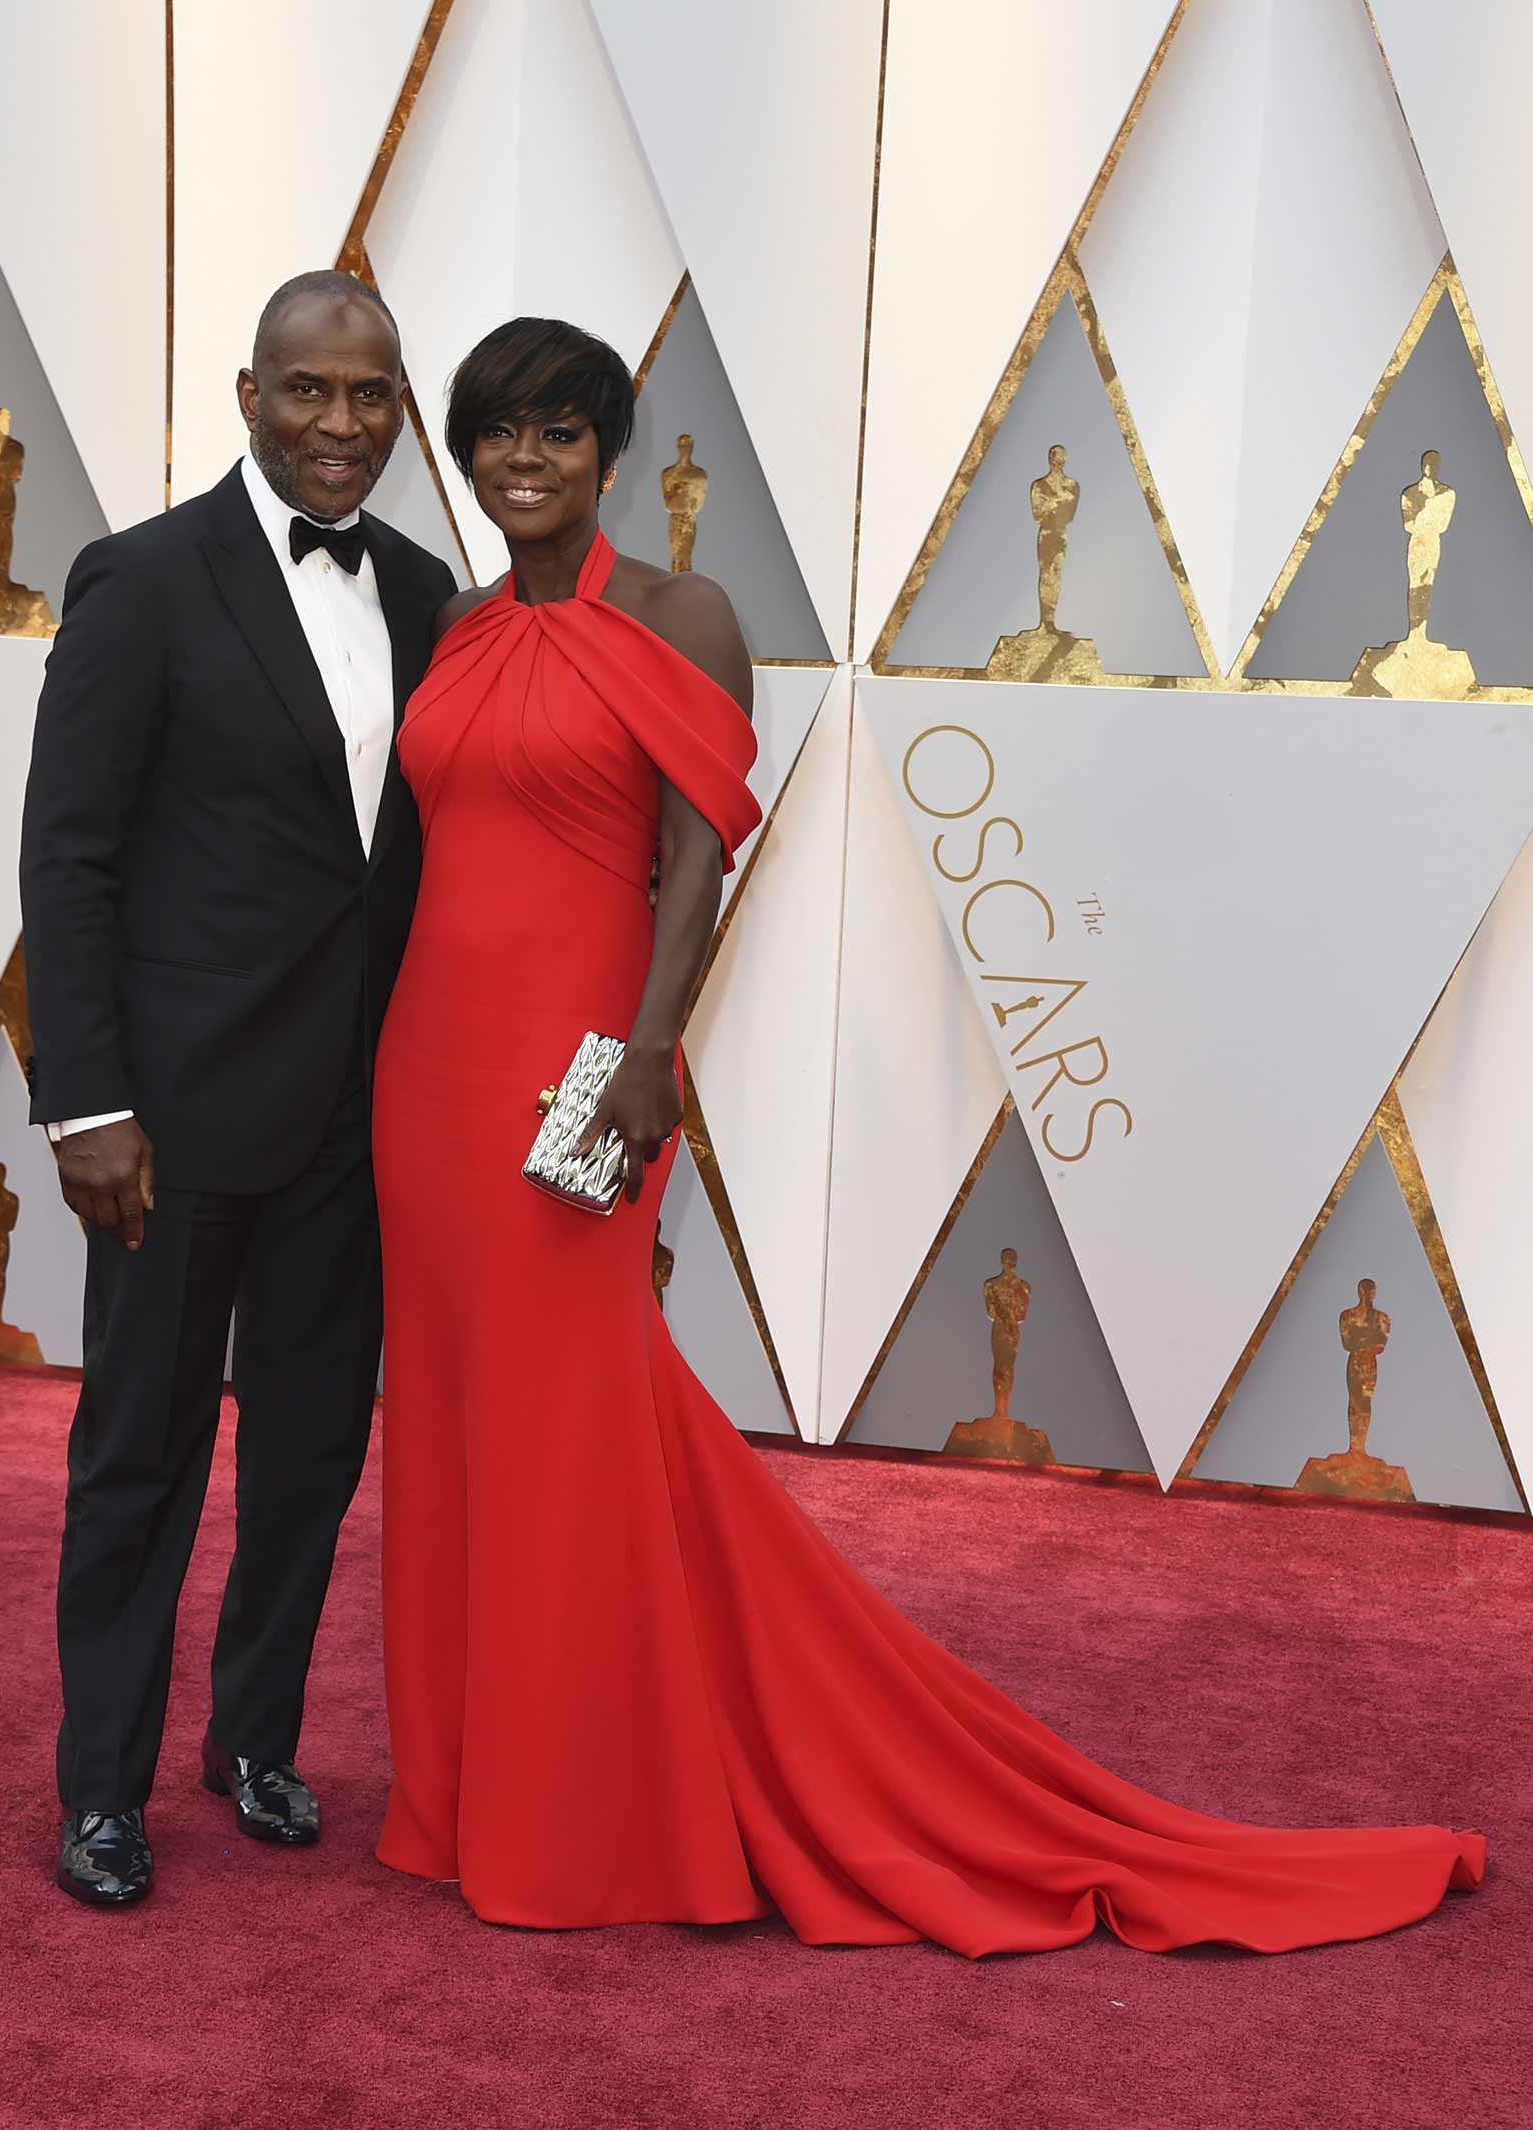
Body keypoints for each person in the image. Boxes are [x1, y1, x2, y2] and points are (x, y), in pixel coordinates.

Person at [370, 315, 1482, 1956]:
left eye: (558, 432)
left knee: (566, 1414)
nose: (523, 461)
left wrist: (648, 1054)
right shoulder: (457, 628)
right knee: (469, 1423)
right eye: (496, 434)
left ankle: (585, 1805)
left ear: (608, 452)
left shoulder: (685, 614)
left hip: (579, 1081)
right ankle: (467, 1788)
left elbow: (696, 862)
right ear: (465, 454)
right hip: (430, 1084)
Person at [20, 270, 455, 1906]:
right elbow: (66, 854)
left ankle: (255, 1735)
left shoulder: (423, 590)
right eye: (307, 392)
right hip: (173, 1119)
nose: (341, 424)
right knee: (140, 1454)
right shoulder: (142, 580)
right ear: (249, 393)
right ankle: (103, 1790)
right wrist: (86, 1100)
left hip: (359, 1116)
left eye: (370, 394)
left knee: (313, 1447)